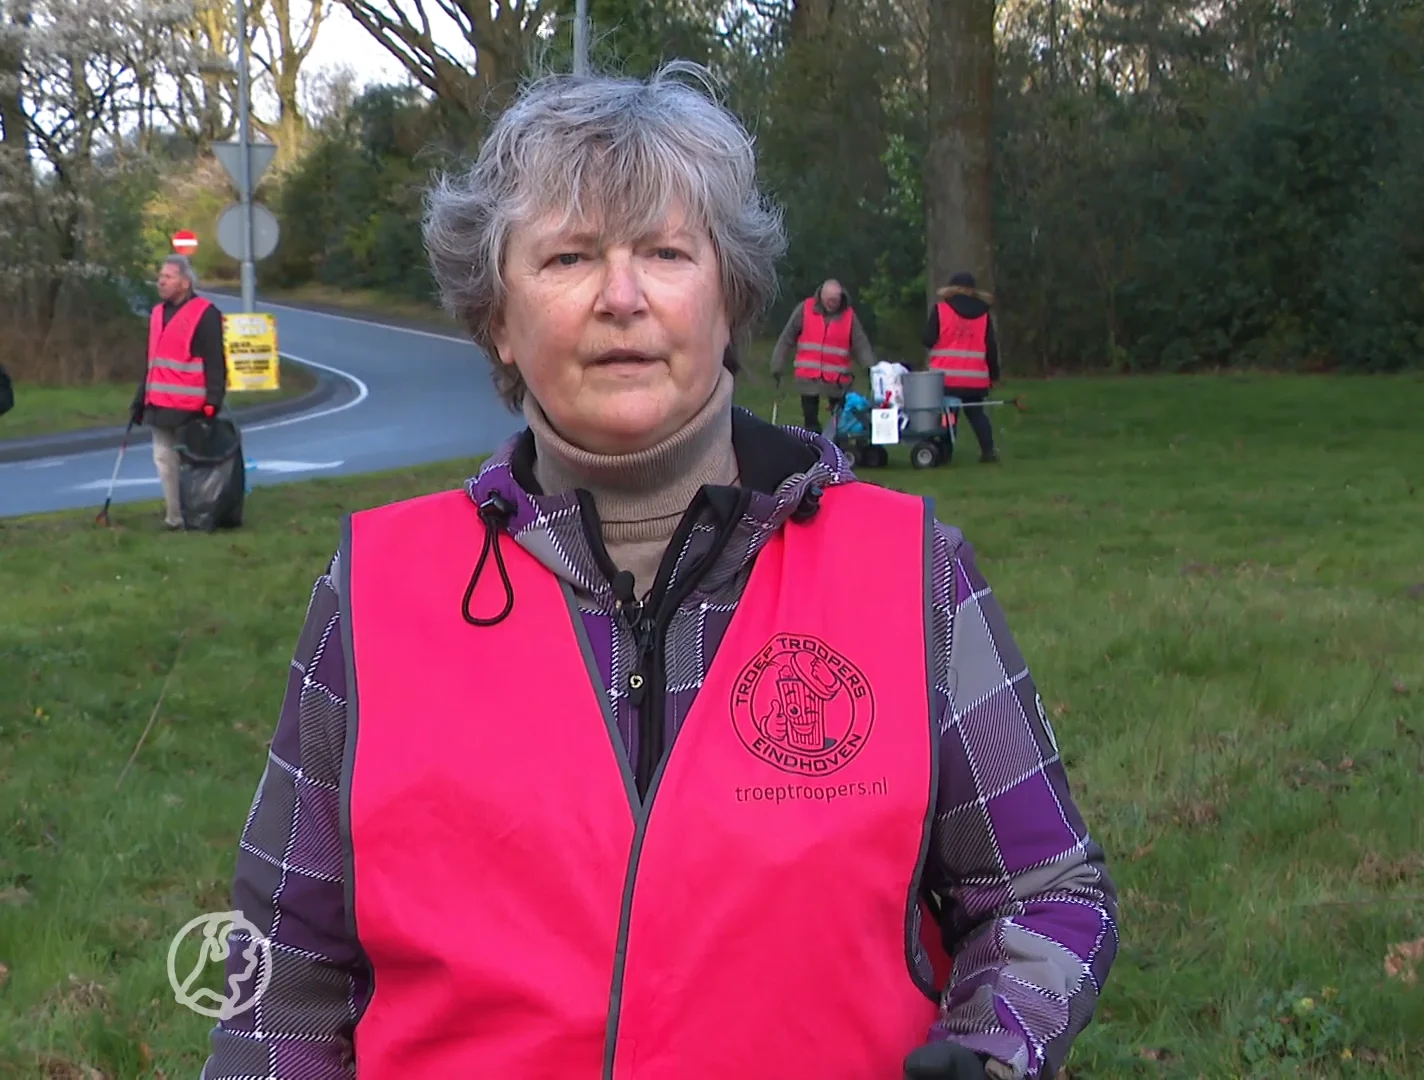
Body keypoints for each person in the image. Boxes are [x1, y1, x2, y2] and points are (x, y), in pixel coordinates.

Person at [201, 62, 1117, 1080]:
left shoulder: (911, 572)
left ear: (729, 300)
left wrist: (996, 1047)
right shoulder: (375, 591)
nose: (622, 297)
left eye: (666, 252)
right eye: (569, 257)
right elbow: (281, 964)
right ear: (497, 317)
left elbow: (1044, 893)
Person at [132, 254, 226, 529]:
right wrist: (140, 398)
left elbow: (215, 361)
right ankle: (174, 516)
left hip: (191, 405)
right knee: (164, 460)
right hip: (159, 402)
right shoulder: (157, 313)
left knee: (193, 463)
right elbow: (153, 360)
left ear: (185, 283)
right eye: (160, 276)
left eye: (168, 277)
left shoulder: (205, 313)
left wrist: (214, 400)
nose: (160, 281)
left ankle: (198, 512)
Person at [769, 277, 877, 435]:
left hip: (838, 379)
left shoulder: (849, 316)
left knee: (839, 420)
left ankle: (836, 444)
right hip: (808, 376)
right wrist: (777, 364)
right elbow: (787, 338)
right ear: (821, 296)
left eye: (836, 300)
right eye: (829, 300)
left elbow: (861, 344)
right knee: (811, 421)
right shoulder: (805, 309)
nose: (833, 304)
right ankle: (813, 442)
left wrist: (871, 368)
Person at [923, 271, 1000, 462]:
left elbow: (928, 339)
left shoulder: (941, 310)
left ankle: (945, 453)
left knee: (949, 416)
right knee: (977, 415)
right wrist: (994, 376)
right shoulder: (984, 315)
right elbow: (991, 348)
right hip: (975, 378)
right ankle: (988, 451)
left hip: (946, 377)